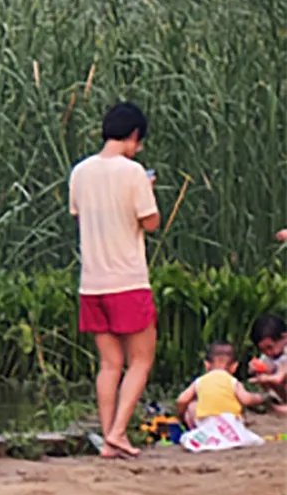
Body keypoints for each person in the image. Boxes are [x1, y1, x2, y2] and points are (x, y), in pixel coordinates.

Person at [69, 101, 159, 457]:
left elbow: (79, 218)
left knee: (109, 364)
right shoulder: (133, 172)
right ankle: (119, 431)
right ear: (134, 136)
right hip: (128, 280)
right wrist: (148, 187)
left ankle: (109, 436)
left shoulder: (80, 172)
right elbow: (150, 221)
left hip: (92, 282)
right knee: (141, 359)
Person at [177, 341, 261, 451]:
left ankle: (199, 435)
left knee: (192, 405)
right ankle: (231, 438)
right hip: (231, 425)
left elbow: (181, 400)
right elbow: (246, 399)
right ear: (234, 367)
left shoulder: (200, 381)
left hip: (208, 423)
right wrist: (261, 397)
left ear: (206, 365)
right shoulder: (233, 381)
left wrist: (181, 416)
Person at [244, 312, 287, 410]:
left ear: (284, 338)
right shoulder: (271, 355)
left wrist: (267, 378)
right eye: (263, 350)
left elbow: (279, 376)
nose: (268, 352)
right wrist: (255, 368)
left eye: (270, 347)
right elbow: (266, 364)